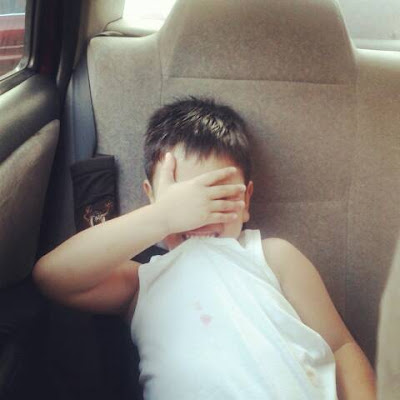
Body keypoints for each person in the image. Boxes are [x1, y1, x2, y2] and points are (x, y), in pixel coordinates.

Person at [33, 97, 376, 399]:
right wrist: (163, 216)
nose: (199, 217)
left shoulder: (273, 256)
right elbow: (53, 277)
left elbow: (340, 347)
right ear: (151, 198)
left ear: (246, 200)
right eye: (183, 200)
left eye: (218, 199)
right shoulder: (144, 281)